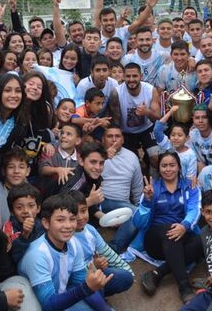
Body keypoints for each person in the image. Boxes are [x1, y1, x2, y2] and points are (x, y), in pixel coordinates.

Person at [133, 152, 202, 303]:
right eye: (164, 166)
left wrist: (184, 226)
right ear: (159, 168)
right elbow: (138, 223)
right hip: (155, 240)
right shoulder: (152, 188)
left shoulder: (190, 186)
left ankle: (158, 273)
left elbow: (194, 210)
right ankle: (184, 287)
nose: (168, 169)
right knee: (169, 230)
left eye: (172, 165)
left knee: (202, 241)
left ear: (178, 167)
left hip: (181, 236)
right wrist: (146, 201)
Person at [71, 190, 134, 298]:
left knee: (126, 277)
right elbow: (72, 275)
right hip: (76, 283)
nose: (80, 217)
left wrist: (128, 271)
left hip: (92, 272)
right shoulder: (66, 237)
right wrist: (95, 266)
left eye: (83, 211)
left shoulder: (90, 230)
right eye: (74, 213)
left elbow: (107, 253)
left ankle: (97, 296)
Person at [108, 62, 161, 171]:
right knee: (130, 164)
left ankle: (156, 183)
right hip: (126, 133)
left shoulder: (151, 90)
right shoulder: (116, 93)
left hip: (147, 129)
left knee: (156, 158)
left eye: (135, 76)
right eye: (128, 76)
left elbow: (158, 118)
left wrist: (147, 112)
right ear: (123, 76)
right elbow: (115, 123)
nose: (131, 79)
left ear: (141, 76)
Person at [100, 125, 144, 254]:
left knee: (138, 213)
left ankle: (114, 247)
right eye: (110, 136)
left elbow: (137, 186)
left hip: (122, 204)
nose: (114, 140)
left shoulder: (132, 157)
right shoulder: (97, 154)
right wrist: (104, 156)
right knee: (134, 212)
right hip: (101, 200)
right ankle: (115, 248)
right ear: (103, 139)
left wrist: (138, 205)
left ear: (123, 139)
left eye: (117, 136)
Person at [2, 182, 45, 264]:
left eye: (31, 206)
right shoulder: (8, 229)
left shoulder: (43, 225)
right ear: (12, 211)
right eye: (19, 207)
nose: (26, 211)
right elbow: (14, 258)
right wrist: (25, 235)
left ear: (38, 208)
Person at [38, 123, 82, 198]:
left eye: (68, 134)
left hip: (69, 198)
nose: (63, 136)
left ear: (77, 141)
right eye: (62, 133)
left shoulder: (79, 158)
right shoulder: (50, 151)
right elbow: (42, 169)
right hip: (47, 196)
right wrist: (57, 170)